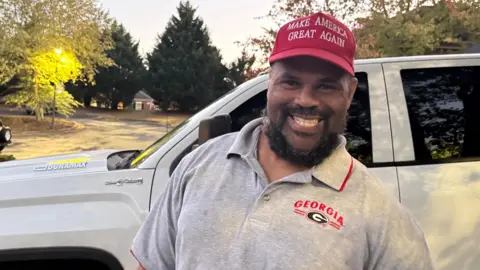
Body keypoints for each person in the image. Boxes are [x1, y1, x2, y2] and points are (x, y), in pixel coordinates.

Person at [131, 11, 434, 270]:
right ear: (269, 83)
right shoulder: (200, 164)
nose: (306, 100)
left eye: (326, 86)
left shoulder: (376, 208)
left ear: (351, 92)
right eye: (290, 81)